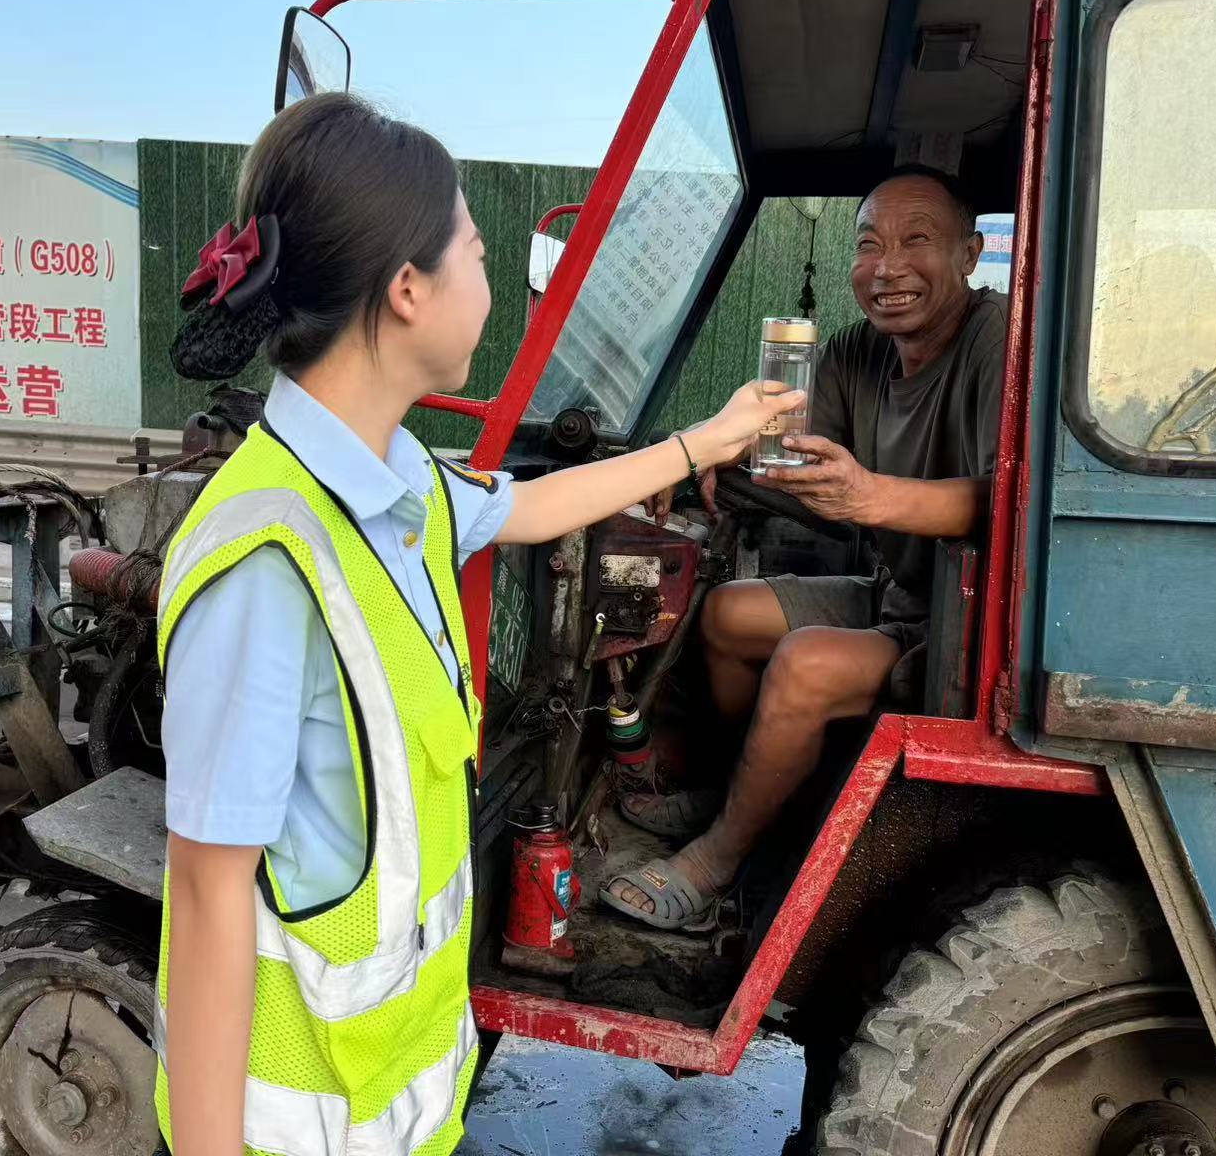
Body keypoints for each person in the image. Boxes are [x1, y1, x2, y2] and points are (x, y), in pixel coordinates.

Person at [153, 92, 801, 1156]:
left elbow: (534, 506)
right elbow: (208, 892)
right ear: (406, 289)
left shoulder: (398, 483)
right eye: (476, 251)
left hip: (397, 1106)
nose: (493, 283)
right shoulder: (269, 559)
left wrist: (709, 439)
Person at [604, 165, 1006, 930]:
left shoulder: (997, 341)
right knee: (727, 615)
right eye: (868, 245)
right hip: (896, 594)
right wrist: (702, 458)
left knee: (804, 663)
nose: (886, 268)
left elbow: (1006, 501)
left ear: (969, 253)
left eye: (916, 241)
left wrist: (869, 497)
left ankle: (720, 860)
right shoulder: (860, 352)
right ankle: (736, 790)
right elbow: (791, 453)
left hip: (964, 635)